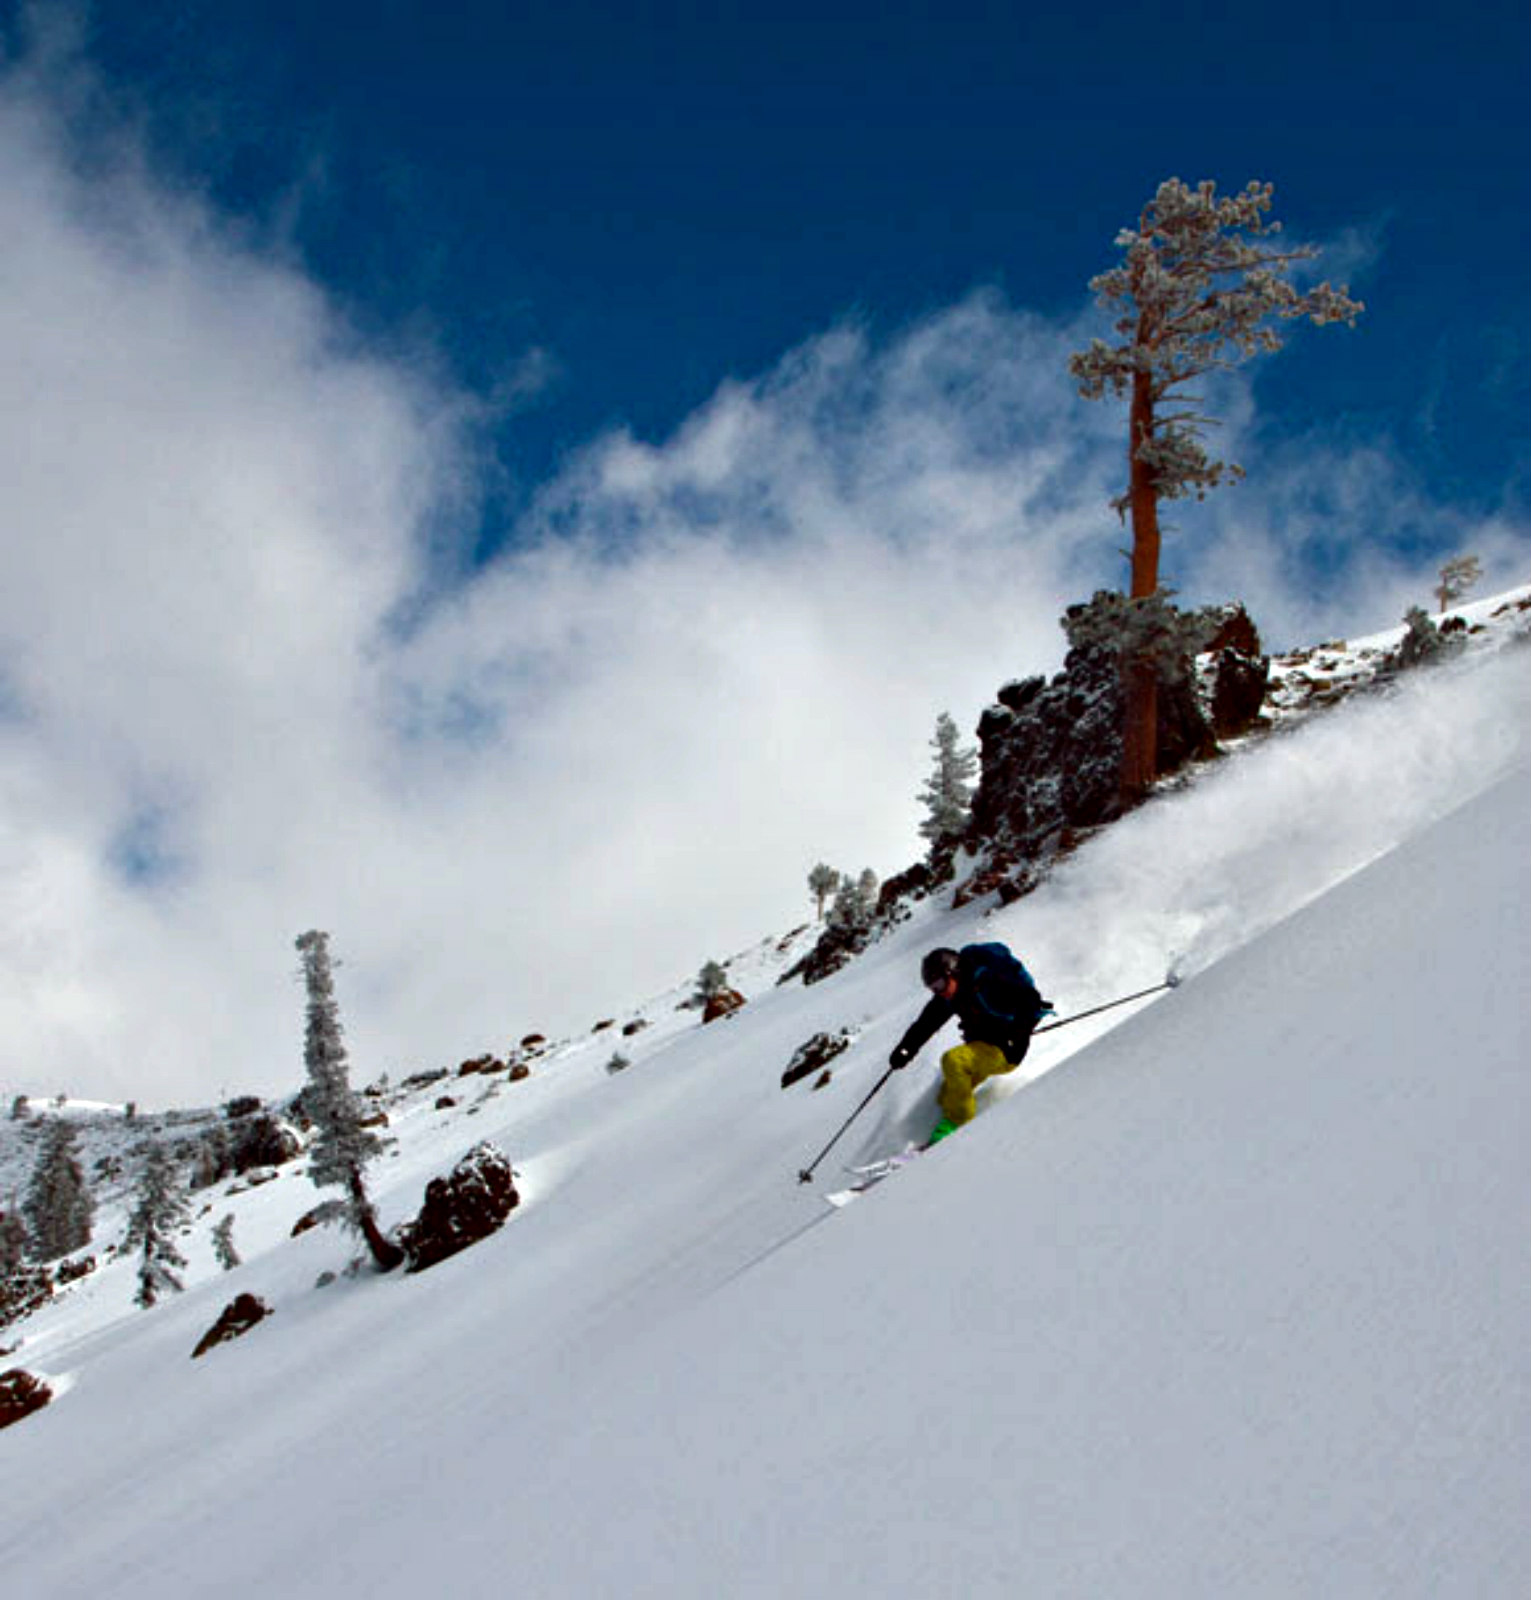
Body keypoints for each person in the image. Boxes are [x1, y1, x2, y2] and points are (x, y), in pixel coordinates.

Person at [889, 942, 1049, 1144]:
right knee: (946, 1095)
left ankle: (958, 1123)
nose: (939, 992)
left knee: (953, 1061)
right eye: (932, 988)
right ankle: (941, 1126)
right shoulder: (952, 994)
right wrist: (905, 1050)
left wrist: (1020, 1030)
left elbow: (1030, 1000)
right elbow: (925, 1023)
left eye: (939, 984)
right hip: (981, 1049)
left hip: (1006, 1050)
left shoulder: (988, 982)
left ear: (952, 973)